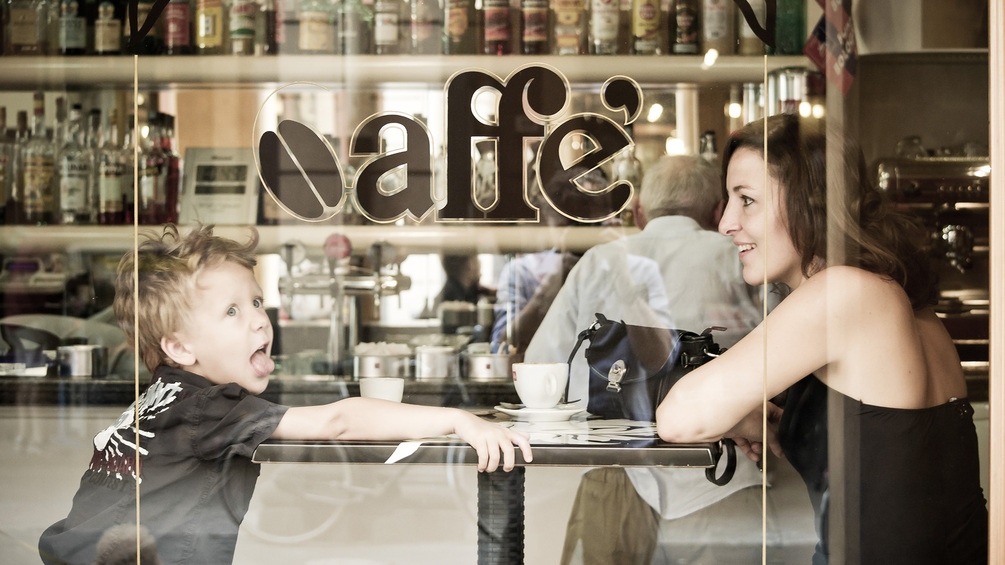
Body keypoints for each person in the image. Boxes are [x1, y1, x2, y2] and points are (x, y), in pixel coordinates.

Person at [38, 224, 533, 565]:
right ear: (179, 347)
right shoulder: (207, 408)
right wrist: (458, 420)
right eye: (232, 311)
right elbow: (337, 422)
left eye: (256, 301)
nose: (260, 319)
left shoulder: (161, 397)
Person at [656, 114, 989, 564]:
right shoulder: (890, 294)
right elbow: (886, 450)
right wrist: (753, 419)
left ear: (809, 204)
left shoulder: (845, 292)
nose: (726, 223)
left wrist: (727, 412)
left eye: (747, 200)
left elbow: (679, 419)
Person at [524, 154, 772, 564]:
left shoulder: (599, 261)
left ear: (638, 211)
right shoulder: (740, 257)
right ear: (717, 212)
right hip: (720, 476)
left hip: (616, 472)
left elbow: (542, 367)